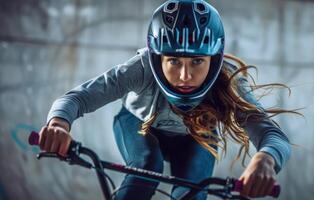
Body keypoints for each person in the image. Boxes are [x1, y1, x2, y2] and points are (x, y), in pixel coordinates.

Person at [38, 1, 298, 199]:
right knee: (145, 169)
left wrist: (265, 159)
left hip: (197, 135)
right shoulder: (141, 68)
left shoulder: (228, 79)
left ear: (215, 59)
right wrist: (59, 124)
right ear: (156, 58)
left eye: (197, 61)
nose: (185, 76)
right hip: (138, 124)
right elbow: (78, 97)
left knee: (193, 190)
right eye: (173, 60)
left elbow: (272, 135)